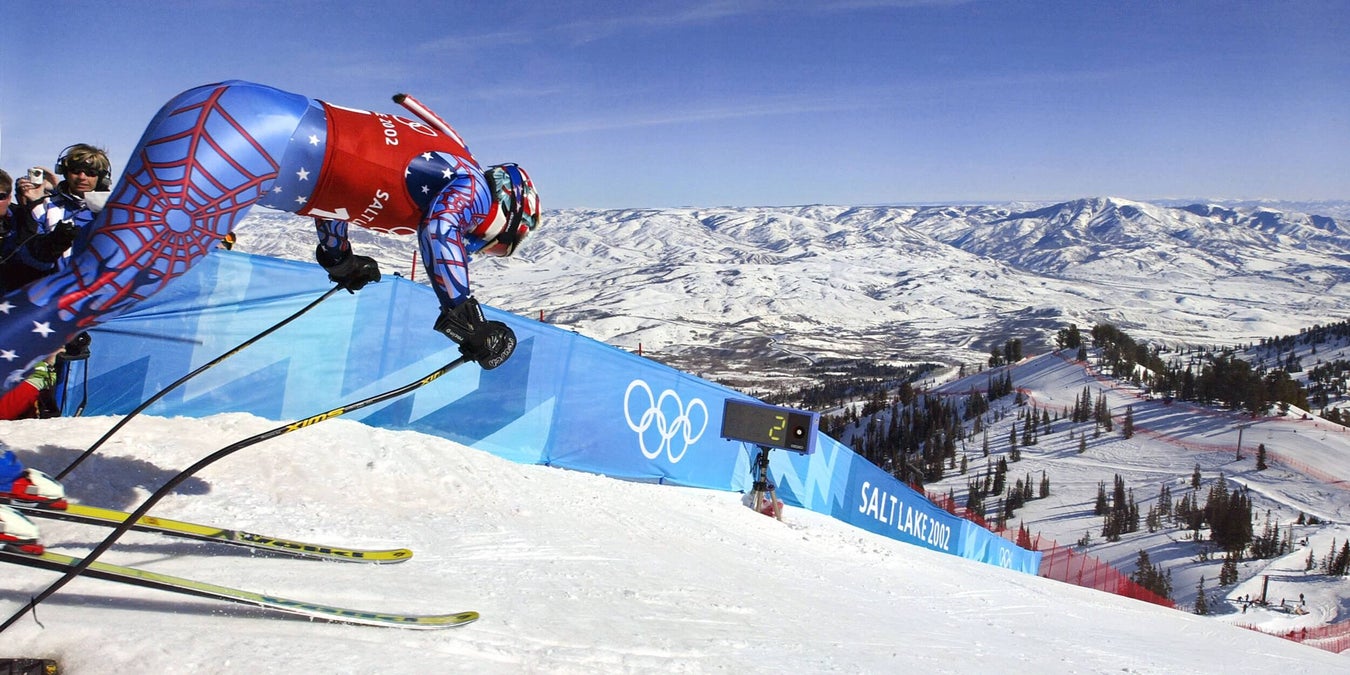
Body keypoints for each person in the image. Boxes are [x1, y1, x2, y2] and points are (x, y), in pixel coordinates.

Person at [0, 81, 539, 544]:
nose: (486, 250)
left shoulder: (446, 164)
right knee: (107, 280)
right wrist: (466, 317)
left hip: (243, 127)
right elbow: (441, 231)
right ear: (511, 214)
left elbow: (341, 191)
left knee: (107, 275)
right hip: (247, 138)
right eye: (499, 247)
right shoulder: (475, 187)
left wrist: (338, 255)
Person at [0, 144, 111, 292]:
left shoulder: (115, 210)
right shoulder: (42, 207)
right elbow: (24, 259)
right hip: (54, 294)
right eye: (76, 170)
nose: (82, 177)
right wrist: (51, 245)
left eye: (91, 172)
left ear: (101, 177)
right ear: (64, 172)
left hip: (101, 293)